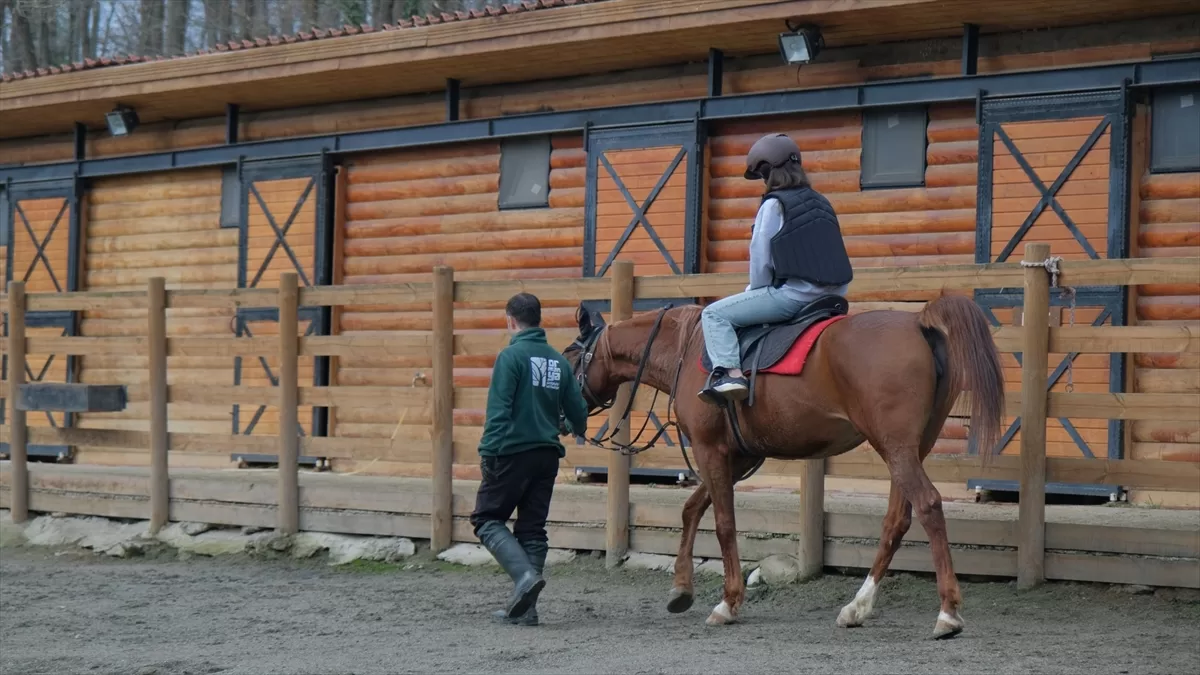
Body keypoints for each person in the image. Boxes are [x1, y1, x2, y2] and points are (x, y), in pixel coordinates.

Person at [698, 132, 854, 403]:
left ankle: (730, 375)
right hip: (834, 297)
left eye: (762, 176)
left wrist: (754, 292)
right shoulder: (822, 202)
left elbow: (761, 259)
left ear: (767, 172)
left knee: (714, 315)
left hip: (793, 296)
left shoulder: (774, 205)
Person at [469, 292, 589, 627]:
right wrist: (569, 426)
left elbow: (499, 411)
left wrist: (488, 452)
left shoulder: (511, 357)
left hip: (511, 453)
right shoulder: (558, 360)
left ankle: (523, 577)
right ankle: (527, 610)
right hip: (546, 456)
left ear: (511, 319)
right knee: (532, 530)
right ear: (538, 319)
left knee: (486, 518)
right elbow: (578, 411)